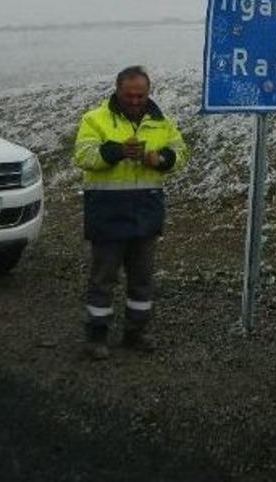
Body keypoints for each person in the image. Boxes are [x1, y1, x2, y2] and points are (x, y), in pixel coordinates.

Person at [72, 66, 187, 360]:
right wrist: (118, 151)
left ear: (148, 93)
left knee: (142, 279)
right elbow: (83, 156)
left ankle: (136, 332)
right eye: (129, 95)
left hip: (146, 213)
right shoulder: (94, 119)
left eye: (141, 95)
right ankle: (96, 336)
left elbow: (180, 154)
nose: (135, 100)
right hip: (108, 213)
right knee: (103, 278)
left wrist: (160, 159)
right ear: (117, 90)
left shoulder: (162, 122)